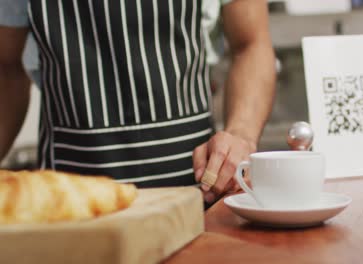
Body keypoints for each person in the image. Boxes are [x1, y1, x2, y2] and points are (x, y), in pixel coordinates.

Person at [0, 0, 276, 203]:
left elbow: (250, 43)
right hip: (70, 201)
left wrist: (241, 133)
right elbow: (6, 68)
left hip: (194, 191)